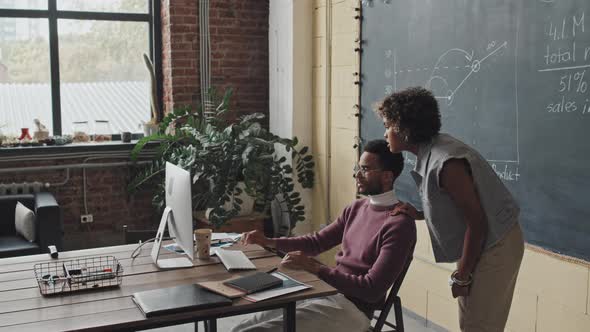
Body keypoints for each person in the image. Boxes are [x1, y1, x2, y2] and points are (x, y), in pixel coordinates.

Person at [376, 87, 524, 332]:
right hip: (481, 240)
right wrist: (420, 213)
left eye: (388, 125)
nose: (385, 132)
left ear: (405, 129)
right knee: (471, 322)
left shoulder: (447, 163)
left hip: (495, 245)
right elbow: (456, 207)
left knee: (479, 326)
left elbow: (478, 223)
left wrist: (461, 276)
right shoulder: (431, 150)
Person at [232, 139, 416, 332]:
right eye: (357, 168)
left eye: (365, 169)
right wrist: (268, 241)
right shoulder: (356, 208)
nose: (357, 175)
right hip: (324, 292)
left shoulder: (399, 224)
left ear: (387, 176)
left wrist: (315, 268)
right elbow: (316, 242)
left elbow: (371, 290)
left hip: (352, 310)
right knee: (241, 328)